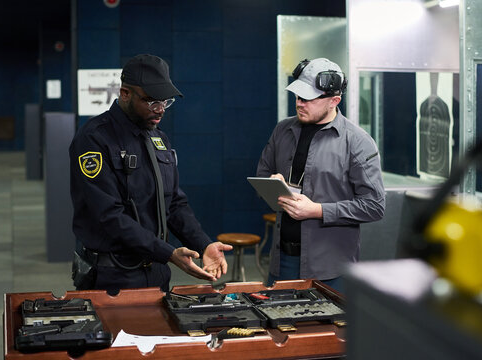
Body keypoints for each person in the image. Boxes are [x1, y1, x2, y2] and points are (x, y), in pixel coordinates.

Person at [69, 54, 232, 295]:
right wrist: (168, 253)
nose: (161, 110)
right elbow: (108, 215)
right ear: (125, 93)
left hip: (155, 272)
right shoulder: (94, 139)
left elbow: (174, 203)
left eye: (165, 101)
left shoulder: (159, 139)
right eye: (152, 101)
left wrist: (203, 244)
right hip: (112, 278)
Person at [256, 58, 385, 292]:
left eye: (308, 98)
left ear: (334, 101)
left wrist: (318, 210)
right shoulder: (282, 131)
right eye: (297, 96)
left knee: (327, 329)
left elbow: (374, 206)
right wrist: (273, 185)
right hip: (282, 260)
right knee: (278, 327)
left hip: (330, 269)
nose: (299, 103)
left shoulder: (357, 142)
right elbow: (263, 174)